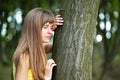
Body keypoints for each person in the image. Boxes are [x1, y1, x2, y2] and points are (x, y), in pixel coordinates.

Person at [12, 7, 63, 80]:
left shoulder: (35, 49)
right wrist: (47, 78)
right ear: (34, 28)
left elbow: (56, 46)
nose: (50, 32)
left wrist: (53, 25)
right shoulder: (24, 56)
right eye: (45, 27)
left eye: (51, 28)